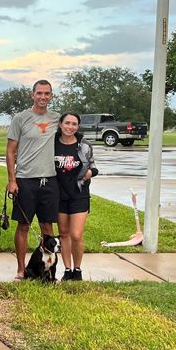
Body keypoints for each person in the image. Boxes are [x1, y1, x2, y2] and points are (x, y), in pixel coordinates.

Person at [6, 80, 61, 281]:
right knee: (24, 226)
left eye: (47, 94)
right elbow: (11, 151)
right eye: (39, 93)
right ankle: (21, 270)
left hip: (49, 180)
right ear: (32, 95)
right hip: (25, 180)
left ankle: (48, 271)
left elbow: (71, 135)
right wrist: (12, 180)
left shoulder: (56, 118)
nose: (43, 97)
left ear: (51, 96)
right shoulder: (20, 118)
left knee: (47, 226)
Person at [55, 112, 98, 281]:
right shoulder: (52, 144)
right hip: (59, 194)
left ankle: (77, 269)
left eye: (74, 124)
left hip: (79, 194)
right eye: (67, 123)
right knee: (64, 233)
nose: (70, 127)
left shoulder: (84, 145)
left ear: (77, 127)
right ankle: (67, 270)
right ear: (60, 124)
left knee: (76, 234)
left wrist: (89, 173)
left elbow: (94, 166)